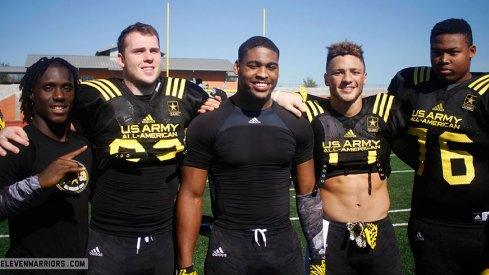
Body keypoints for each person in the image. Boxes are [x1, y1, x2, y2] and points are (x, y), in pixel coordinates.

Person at [0, 22, 209, 274]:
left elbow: (221, 113)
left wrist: (213, 105)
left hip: (162, 239)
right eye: (139, 51)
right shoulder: (93, 96)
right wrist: (3, 132)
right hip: (107, 240)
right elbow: (52, 113)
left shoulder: (188, 94)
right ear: (121, 59)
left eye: (154, 51)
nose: (149, 57)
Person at [175, 36, 319, 275]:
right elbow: (191, 195)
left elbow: (308, 197)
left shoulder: (295, 123)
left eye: (270, 67)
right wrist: (185, 265)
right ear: (237, 67)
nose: (263, 73)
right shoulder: (209, 122)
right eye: (253, 65)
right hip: (229, 250)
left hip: (282, 249)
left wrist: (319, 254)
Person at [387, 18, 489, 275]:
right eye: (437, 52)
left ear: (471, 52)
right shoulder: (410, 82)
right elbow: (389, 127)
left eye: (453, 52)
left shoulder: (485, 91)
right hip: (428, 220)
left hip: (480, 223)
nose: (443, 59)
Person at [0, 57, 92, 274]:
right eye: (48, 87)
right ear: (32, 93)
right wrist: (39, 182)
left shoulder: (84, 146)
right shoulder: (16, 144)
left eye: (66, 88)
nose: (59, 96)